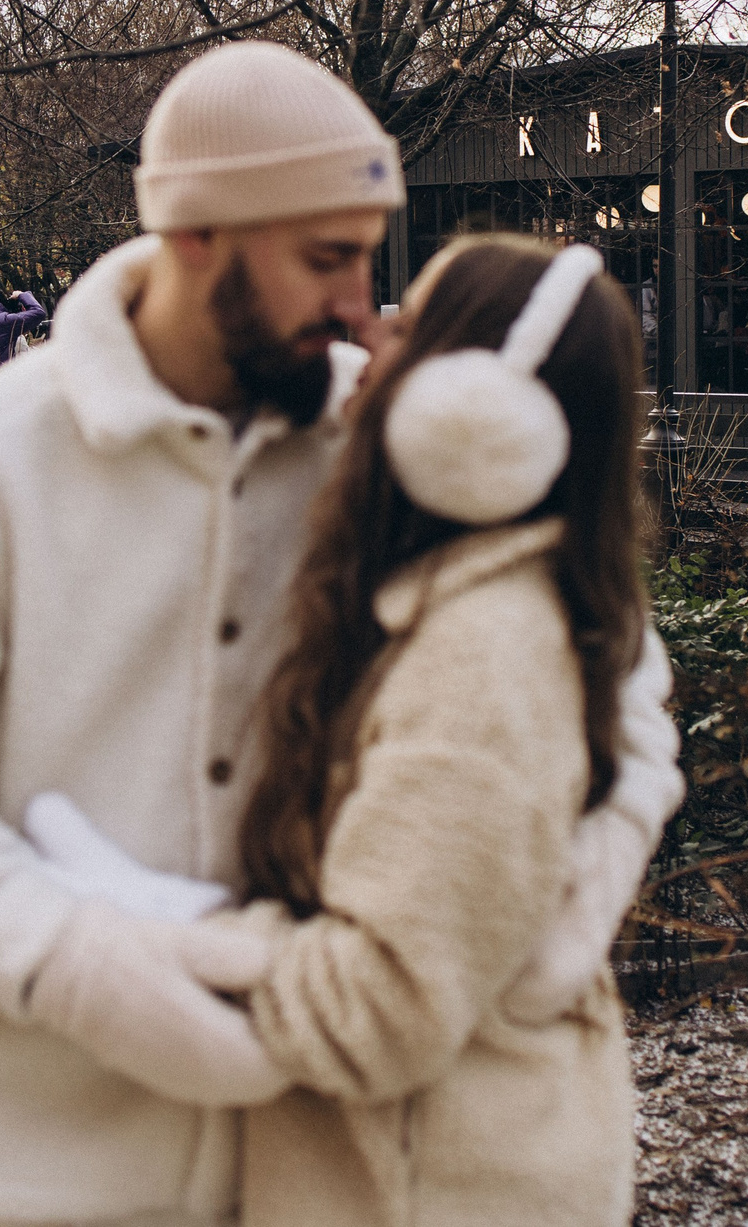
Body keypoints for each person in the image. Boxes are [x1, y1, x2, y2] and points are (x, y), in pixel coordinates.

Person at [0, 41, 682, 1227]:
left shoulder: (393, 432)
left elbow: (613, 685)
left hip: (310, 1173)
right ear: (196, 238)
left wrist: (556, 921)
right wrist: (65, 956)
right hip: (30, 1181)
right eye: (325, 261)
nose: (362, 306)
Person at [200, 233, 645, 1225]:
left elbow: (377, 1011)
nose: (368, 329)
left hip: (432, 1188)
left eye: (404, 325)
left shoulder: (484, 659)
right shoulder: (457, 602)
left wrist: (161, 939)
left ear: (471, 412)